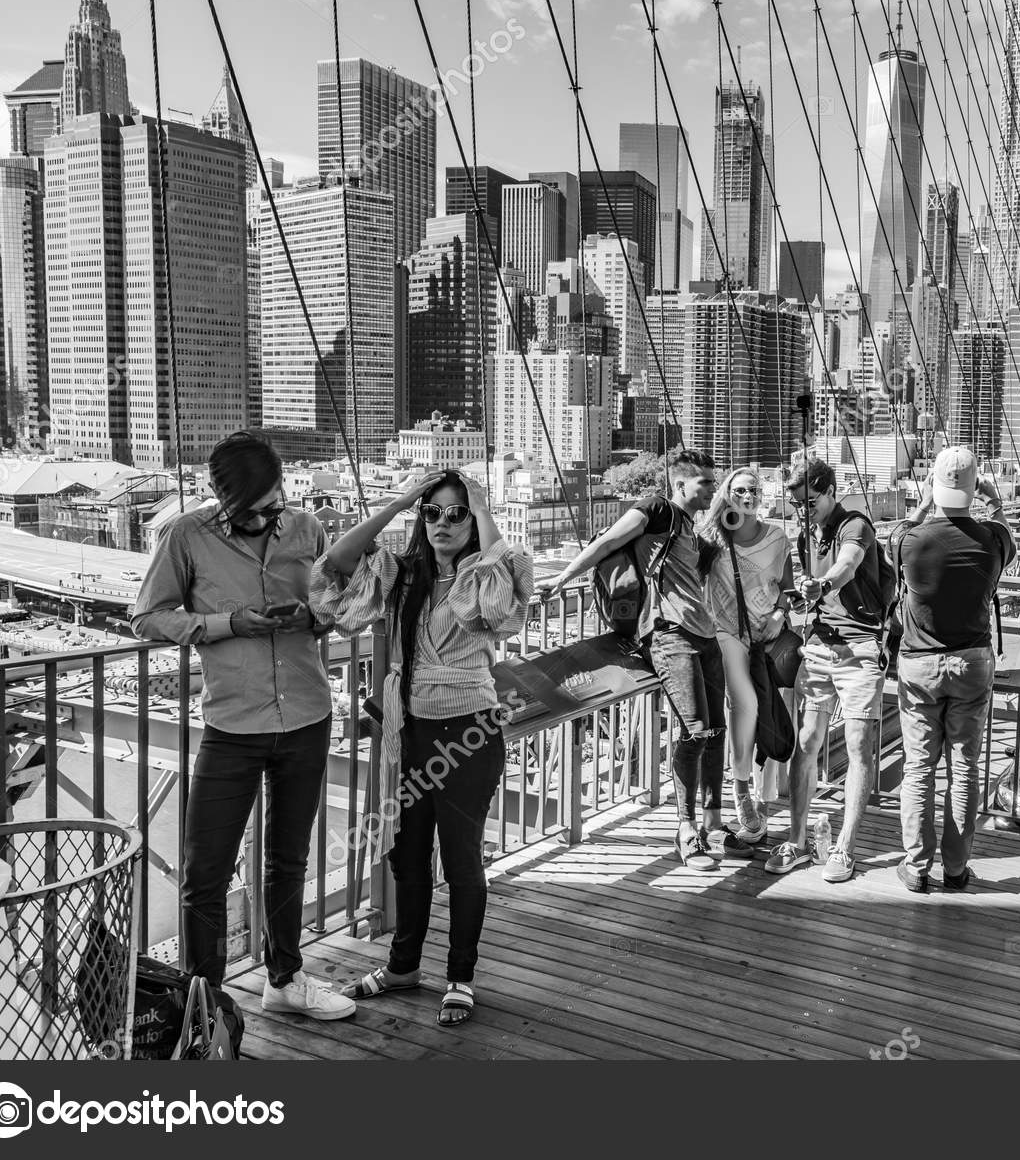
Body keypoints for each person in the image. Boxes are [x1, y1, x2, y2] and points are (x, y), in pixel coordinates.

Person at [133, 431, 355, 1021]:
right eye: (248, 511)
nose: (262, 519)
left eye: (271, 506)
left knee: (289, 860)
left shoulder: (308, 529)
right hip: (232, 725)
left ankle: (285, 978)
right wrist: (231, 623)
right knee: (203, 872)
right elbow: (147, 616)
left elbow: (338, 604)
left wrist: (311, 615)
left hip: (308, 714)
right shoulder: (186, 536)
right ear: (219, 497)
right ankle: (204, 1007)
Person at [311, 470, 532, 1026]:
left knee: (461, 860)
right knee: (407, 857)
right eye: (432, 513)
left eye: (456, 514)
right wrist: (402, 502)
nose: (442, 523)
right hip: (409, 731)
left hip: (469, 734)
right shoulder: (402, 574)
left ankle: (460, 976)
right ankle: (403, 964)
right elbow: (334, 575)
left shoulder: (494, 572)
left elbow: (502, 616)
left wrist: (482, 510)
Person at [537, 450, 743, 869]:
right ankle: (686, 830)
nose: (711, 488)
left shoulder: (688, 525)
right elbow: (610, 541)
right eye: (704, 482)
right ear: (680, 484)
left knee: (717, 730)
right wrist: (561, 579)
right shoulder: (656, 509)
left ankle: (714, 823)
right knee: (693, 731)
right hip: (669, 635)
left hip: (705, 635)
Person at [891, 447, 1015, 892]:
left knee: (918, 768)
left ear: (934, 487)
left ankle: (916, 865)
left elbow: (900, 533)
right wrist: (991, 499)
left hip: (919, 664)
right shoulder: (992, 541)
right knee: (963, 769)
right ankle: (957, 869)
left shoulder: (910, 541)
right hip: (972, 663)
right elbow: (1005, 533)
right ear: (974, 487)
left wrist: (924, 504)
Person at [764, 459, 890, 883]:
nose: (804, 511)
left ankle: (844, 848)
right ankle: (798, 842)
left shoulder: (854, 525)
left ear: (831, 490)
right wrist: (800, 600)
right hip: (819, 645)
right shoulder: (807, 535)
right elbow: (814, 591)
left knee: (857, 744)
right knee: (807, 740)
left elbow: (848, 565)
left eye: (810, 502)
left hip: (859, 647)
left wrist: (823, 584)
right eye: (797, 505)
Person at [700, 467, 795, 843]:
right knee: (747, 704)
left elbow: (787, 589)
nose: (747, 496)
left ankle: (764, 797)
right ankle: (740, 791)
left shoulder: (777, 538)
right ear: (727, 493)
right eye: (739, 490)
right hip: (726, 633)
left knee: (770, 709)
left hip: (767, 637)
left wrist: (779, 614)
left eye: (753, 489)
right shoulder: (712, 537)